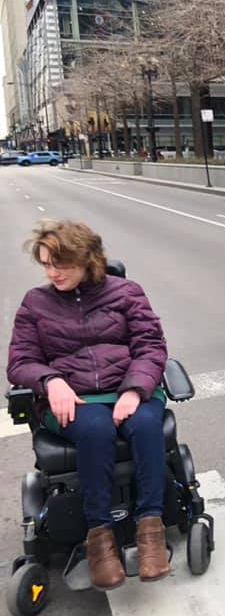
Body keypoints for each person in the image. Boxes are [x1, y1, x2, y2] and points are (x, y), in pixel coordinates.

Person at [6, 220, 170, 590]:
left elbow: (151, 347)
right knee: (95, 430)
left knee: (145, 425)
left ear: (87, 259)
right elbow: (20, 361)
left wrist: (135, 389)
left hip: (128, 386)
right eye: (46, 264)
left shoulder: (126, 293)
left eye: (59, 263)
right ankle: (100, 539)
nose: (52, 272)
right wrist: (51, 381)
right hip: (73, 397)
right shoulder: (36, 302)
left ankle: (151, 531)